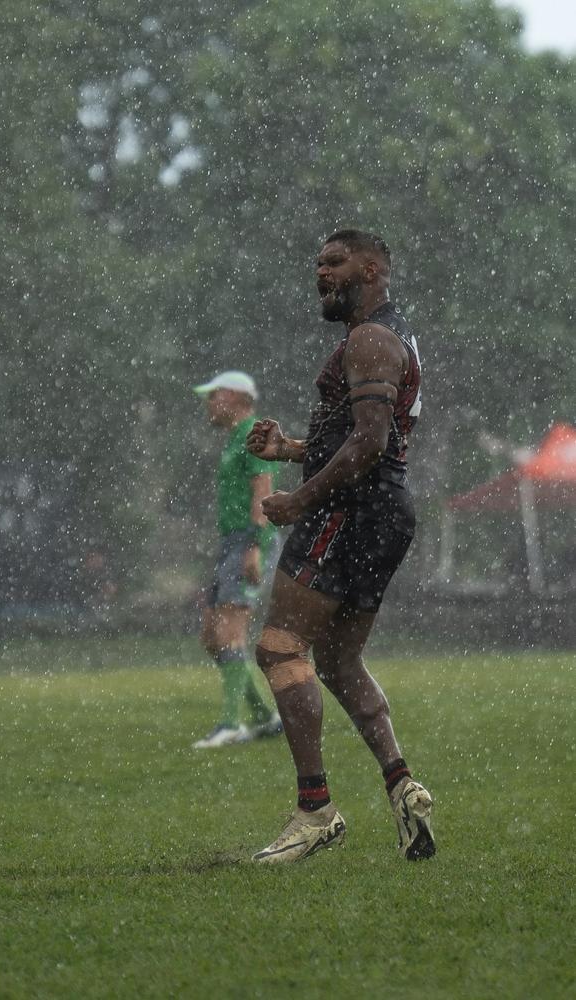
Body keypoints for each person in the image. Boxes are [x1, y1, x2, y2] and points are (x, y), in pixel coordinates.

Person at [246, 229, 435, 863]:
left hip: (349, 510)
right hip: (382, 512)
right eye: (317, 262)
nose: (320, 271)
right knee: (338, 662)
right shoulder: (391, 336)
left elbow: (371, 444)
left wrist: (300, 499)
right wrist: (293, 450)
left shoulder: (371, 339)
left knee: (279, 647)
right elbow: (364, 438)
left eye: (334, 261)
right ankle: (402, 786)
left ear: (374, 268)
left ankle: (315, 811)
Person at [192, 370, 283, 748]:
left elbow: (264, 492)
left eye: (213, 396)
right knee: (212, 636)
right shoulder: (234, 438)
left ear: (233, 396)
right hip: (232, 542)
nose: (208, 404)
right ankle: (265, 717)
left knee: (231, 631)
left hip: (248, 541)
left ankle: (230, 724)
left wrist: (256, 546)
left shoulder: (253, 436)